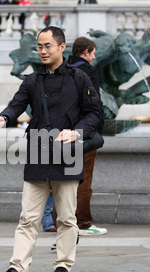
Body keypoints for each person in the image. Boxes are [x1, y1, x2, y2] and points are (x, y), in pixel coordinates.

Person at [0, 26, 102, 272]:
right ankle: (18, 270)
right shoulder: (31, 80)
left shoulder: (79, 78)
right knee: (27, 218)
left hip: (68, 153)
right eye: (39, 46)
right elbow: (16, 104)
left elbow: (94, 114)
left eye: (47, 46)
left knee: (66, 218)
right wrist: (4, 118)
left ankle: (63, 266)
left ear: (62, 47)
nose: (42, 51)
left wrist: (77, 133)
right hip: (38, 152)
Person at [65, 37, 107, 236]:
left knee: (64, 180)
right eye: (93, 52)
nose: (95, 56)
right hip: (83, 133)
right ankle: (83, 223)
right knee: (84, 179)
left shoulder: (62, 67)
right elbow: (94, 104)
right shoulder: (88, 71)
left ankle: (62, 222)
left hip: (63, 133)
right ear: (86, 52)